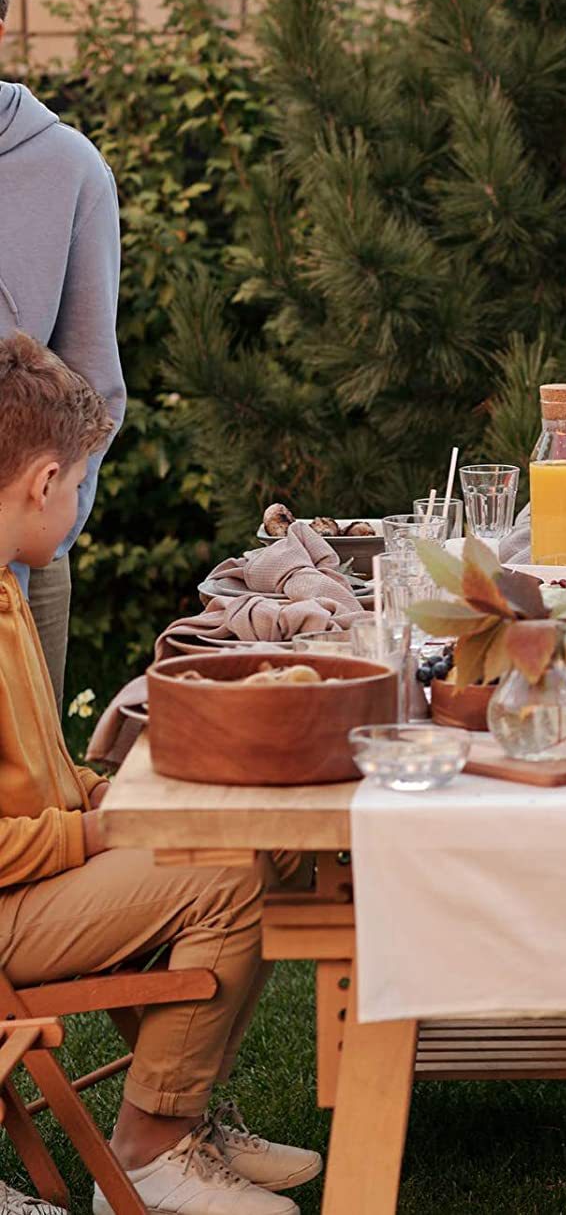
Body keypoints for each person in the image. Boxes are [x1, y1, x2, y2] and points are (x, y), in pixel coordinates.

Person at [0, 334, 319, 1215]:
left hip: (35, 880)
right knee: (222, 872)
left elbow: (29, 777)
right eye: (75, 490)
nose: (75, 510)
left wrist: (105, 794)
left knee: (267, 841)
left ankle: (186, 1113)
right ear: (42, 482)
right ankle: (148, 1152)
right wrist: (104, 829)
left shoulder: (6, 589)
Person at [0, 0, 126, 709]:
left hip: (24, 563)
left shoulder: (68, 168)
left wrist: (32, 534)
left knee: (23, 805)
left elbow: (91, 391)